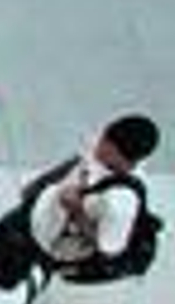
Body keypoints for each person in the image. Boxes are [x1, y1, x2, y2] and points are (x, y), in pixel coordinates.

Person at [17, 114, 162, 281]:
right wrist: (38, 185)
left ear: (123, 158)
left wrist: (77, 211)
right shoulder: (102, 149)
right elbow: (75, 162)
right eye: (103, 138)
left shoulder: (121, 202)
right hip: (44, 215)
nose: (98, 146)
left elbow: (107, 249)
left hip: (61, 242)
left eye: (106, 147)